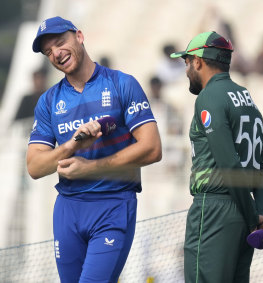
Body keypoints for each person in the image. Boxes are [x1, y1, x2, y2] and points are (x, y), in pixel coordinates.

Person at [27, 16, 162, 283]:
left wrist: (91, 167)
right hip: (68, 209)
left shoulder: (121, 84)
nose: (56, 53)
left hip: (113, 203)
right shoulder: (48, 101)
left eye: (59, 42)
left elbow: (152, 148)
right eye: (48, 51)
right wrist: (71, 145)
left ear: (79, 36)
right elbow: (34, 167)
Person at [170, 31, 263, 283]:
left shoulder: (208, 97)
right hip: (245, 212)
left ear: (198, 61)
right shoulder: (248, 100)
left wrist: (255, 219)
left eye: (187, 62)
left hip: (214, 208)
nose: (186, 69)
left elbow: (229, 164)